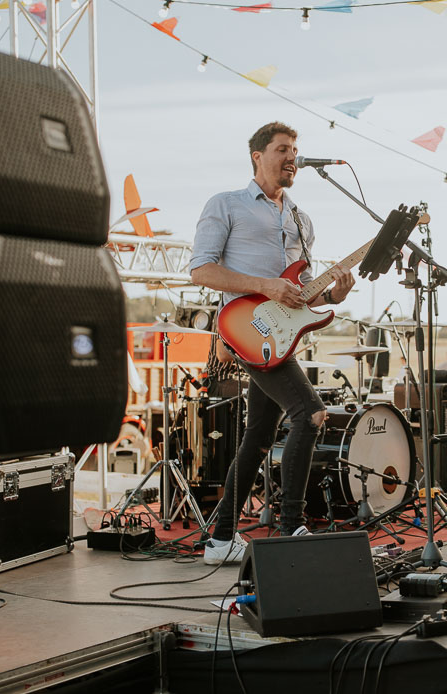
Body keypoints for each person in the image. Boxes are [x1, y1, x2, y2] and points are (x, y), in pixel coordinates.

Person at [189, 121, 354, 564]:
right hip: (247, 330)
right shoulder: (227, 204)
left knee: (259, 436)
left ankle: (221, 539)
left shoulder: (302, 219)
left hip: (280, 338)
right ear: (257, 156)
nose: (292, 156)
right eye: (283, 148)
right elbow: (201, 271)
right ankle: (291, 527)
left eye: (296, 149)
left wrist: (335, 293)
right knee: (311, 413)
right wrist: (266, 286)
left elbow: (301, 293)